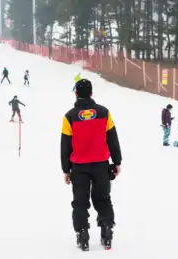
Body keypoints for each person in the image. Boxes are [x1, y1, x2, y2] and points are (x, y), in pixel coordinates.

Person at [61, 79, 122, 251]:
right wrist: (116, 162)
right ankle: (107, 229)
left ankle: (83, 235)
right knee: (103, 198)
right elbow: (112, 138)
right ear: (91, 93)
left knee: (80, 202)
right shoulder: (104, 113)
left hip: (79, 167)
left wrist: (66, 170)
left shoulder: (70, 117)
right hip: (101, 165)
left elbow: (65, 146)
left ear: (76, 94)